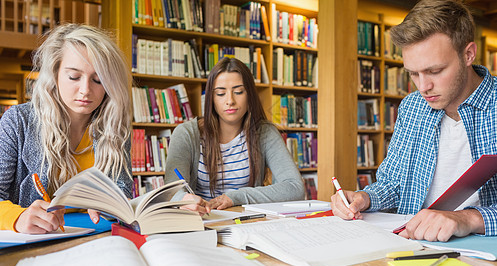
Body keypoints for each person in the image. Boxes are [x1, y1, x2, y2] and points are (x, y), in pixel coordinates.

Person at [331, 0, 497, 242]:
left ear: (468, 54)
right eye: (413, 73)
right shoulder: (412, 107)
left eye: (435, 71)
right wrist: (364, 198)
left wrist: (467, 219)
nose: (423, 86)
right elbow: (394, 184)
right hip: (412, 245)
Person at [0, 24, 133, 234]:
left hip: (95, 241)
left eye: (98, 80)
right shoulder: (18, 121)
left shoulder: (114, 127)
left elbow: (123, 192)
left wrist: (110, 204)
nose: (86, 90)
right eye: (74, 77)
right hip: (34, 245)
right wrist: (17, 217)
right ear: (55, 74)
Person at [164, 57, 305, 212]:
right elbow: (170, 193)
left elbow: (294, 187)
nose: (230, 100)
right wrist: (184, 199)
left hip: (247, 222)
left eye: (238, 92)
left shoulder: (265, 133)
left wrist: (236, 197)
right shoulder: (186, 134)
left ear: (249, 95)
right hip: (200, 222)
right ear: (211, 98)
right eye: (221, 93)